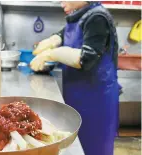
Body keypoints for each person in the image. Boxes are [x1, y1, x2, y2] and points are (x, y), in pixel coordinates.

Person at [31, 1, 119, 155]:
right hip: (77, 94)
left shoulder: (97, 17)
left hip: (96, 99)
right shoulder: (80, 15)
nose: (61, 1)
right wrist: (53, 41)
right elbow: (64, 34)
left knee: (95, 145)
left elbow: (86, 58)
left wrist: (52, 54)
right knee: (77, 144)